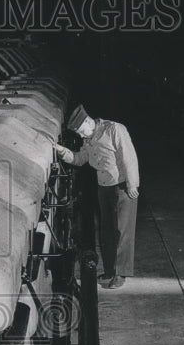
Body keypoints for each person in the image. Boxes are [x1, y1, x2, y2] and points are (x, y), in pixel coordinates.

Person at [54, 104, 140, 289]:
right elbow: (78, 159)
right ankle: (110, 270)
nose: (80, 135)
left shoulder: (115, 129)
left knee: (122, 231)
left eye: (80, 130)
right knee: (107, 230)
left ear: (87, 121)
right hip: (104, 188)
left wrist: (133, 183)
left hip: (122, 187)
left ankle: (120, 273)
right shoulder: (88, 140)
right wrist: (61, 151)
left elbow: (129, 157)